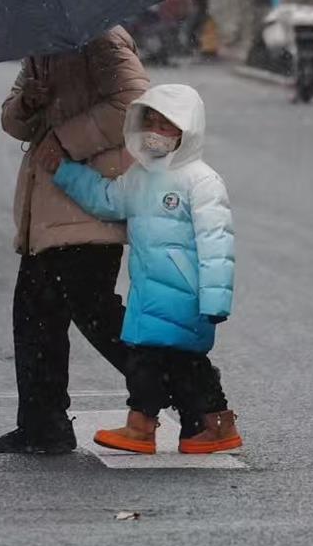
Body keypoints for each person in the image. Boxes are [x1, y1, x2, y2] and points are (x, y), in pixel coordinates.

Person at [53, 83, 240, 455]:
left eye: (165, 124)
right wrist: (66, 172)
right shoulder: (139, 176)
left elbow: (217, 244)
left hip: (186, 297)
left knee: (166, 363)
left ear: (187, 129)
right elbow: (107, 200)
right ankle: (205, 424)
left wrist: (215, 300)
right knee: (167, 364)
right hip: (147, 294)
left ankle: (151, 425)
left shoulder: (202, 181)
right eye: (149, 122)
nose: (155, 131)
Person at [0, 31, 150, 455]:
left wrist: (66, 139)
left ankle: (188, 389)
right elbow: (12, 122)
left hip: (89, 203)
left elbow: (135, 104)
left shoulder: (101, 39)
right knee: (35, 317)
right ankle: (42, 426)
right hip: (49, 210)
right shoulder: (41, 46)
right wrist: (28, 102)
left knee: (96, 315)